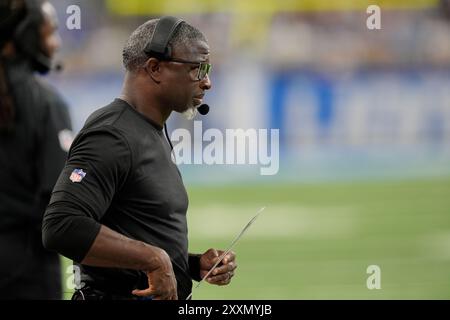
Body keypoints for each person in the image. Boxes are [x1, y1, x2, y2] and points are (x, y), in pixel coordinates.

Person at [42, 17, 237, 300]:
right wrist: (153, 259)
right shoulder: (112, 133)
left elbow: (134, 227)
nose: (206, 82)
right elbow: (61, 225)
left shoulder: (149, 128)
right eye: (197, 68)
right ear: (155, 68)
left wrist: (192, 265)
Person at [0, 0, 72, 299]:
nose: (55, 44)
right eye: (50, 33)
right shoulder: (47, 104)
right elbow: (62, 208)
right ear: (25, 36)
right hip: (27, 273)